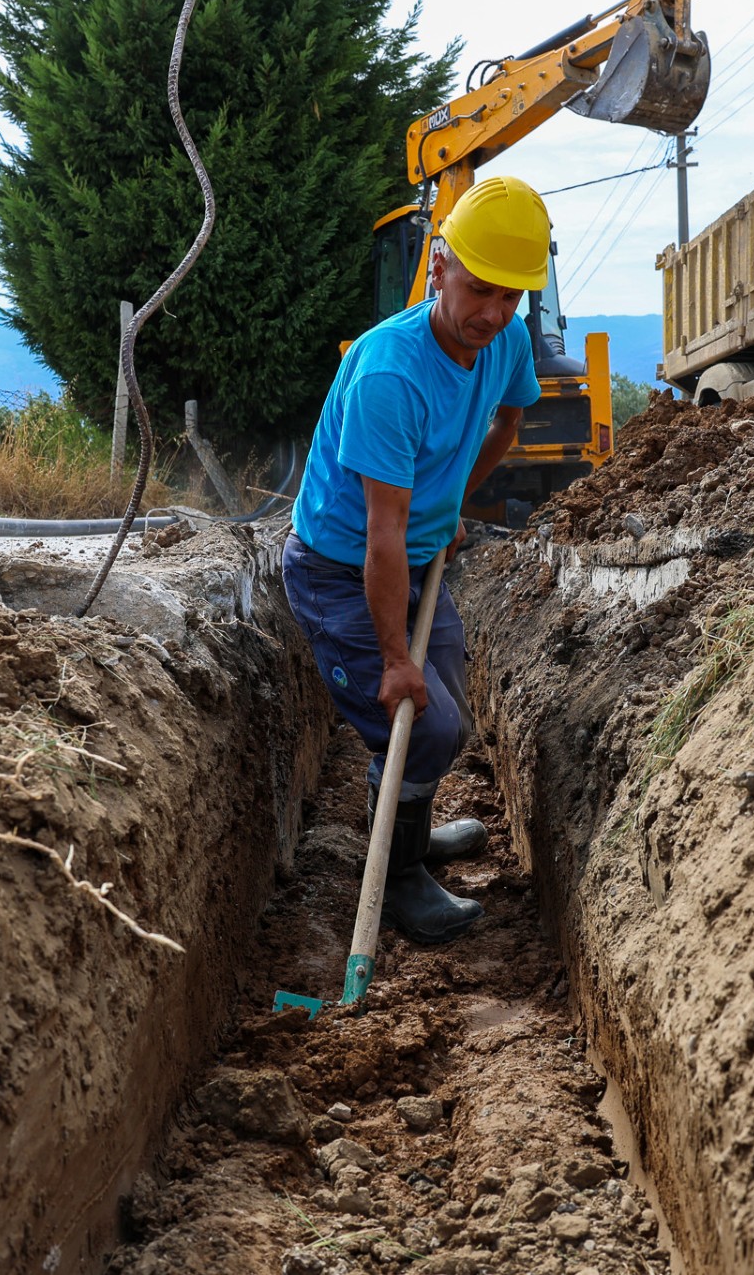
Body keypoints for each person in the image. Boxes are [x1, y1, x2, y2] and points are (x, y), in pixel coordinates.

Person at [282, 175, 551, 944]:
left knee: (451, 687)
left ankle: (412, 828)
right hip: (340, 567)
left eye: (512, 299)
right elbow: (382, 534)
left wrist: (453, 502)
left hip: (411, 543)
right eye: (480, 290)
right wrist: (394, 656)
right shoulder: (389, 375)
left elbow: (508, 420)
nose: (493, 315)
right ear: (438, 267)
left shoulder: (505, 340)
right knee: (416, 716)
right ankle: (397, 879)